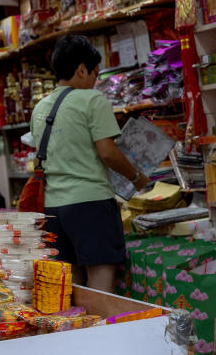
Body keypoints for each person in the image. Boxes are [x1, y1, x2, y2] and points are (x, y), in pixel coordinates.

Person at [30, 35, 149, 293]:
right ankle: (100, 333)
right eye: (95, 73)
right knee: (100, 285)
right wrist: (137, 177)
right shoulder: (92, 100)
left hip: (53, 209)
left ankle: (76, 332)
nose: (96, 79)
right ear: (81, 69)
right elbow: (107, 152)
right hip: (90, 205)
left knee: (72, 287)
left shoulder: (40, 108)